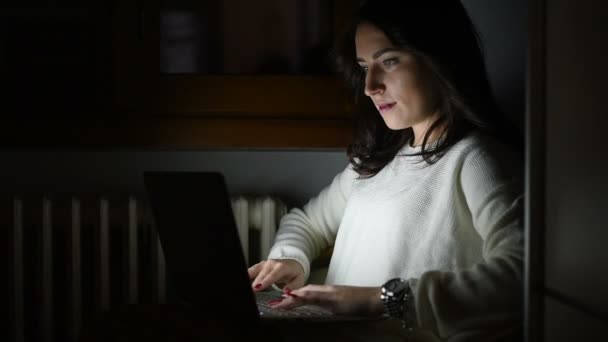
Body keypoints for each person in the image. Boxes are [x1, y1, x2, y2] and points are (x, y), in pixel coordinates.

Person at [248, 0, 524, 340]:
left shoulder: (475, 159)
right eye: (364, 66)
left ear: (440, 60)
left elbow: (522, 274)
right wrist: (290, 259)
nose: (370, 86)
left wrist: (383, 300)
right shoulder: (375, 164)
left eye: (389, 61)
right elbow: (305, 221)